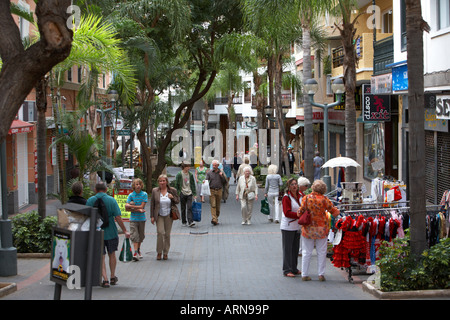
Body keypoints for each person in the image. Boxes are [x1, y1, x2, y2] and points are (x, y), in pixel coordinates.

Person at [86, 183, 130, 288]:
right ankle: (112, 276)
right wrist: (124, 230)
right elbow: (118, 217)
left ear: (95, 189)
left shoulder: (90, 200)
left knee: (101, 256)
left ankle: (105, 279)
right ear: (106, 189)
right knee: (112, 254)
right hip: (111, 231)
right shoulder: (112, 200)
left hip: (97, 232)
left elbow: (86, 216)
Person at [298, 180, 340, 281]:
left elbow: (300, 212)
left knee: (306, 252)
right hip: (322, 228)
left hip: (308, 228)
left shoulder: (306, 198)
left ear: (312, 187)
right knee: (321, 251)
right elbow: (334, 212)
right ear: (324, 189)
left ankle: (304, 274)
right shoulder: (325, 199)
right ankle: (321, 274)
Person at [150, 174, 180, 261]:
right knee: (160, 232)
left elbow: (177, 201)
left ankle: (165, 252)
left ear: (167, 182)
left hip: (169, 215)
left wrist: (172, 198)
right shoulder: (155, 191)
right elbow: (152, 204)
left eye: (164, 181)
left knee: (167, 234)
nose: (162, 182)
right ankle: (159, 252)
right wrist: (152, 216)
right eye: (160, 181)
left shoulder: (172, 190)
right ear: (158, 182)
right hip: (159, 215)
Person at [280, 178, 302, 277]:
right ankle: (287, 269)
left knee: (295, 248)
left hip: (297, 226)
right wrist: (299, 215)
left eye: (295, 184)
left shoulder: (301, 195)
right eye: (292, 184)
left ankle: (294, 268)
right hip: (288, 227)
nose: (294, 186)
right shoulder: (286, 197)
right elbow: (287, 212)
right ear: (289, 186)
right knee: (287, 249)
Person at [125, 178, 148, 261]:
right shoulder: (131, 195)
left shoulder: (144, 194)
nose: (138, 186)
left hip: (141, 219)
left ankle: (138, 250)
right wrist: (137, 209)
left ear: (141, 185)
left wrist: (132, 207)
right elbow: (126, 207)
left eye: (139, 184)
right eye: (136, 184)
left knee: (141, 236)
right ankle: (135, 253)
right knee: (135, 235)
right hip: (133, 219)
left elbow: (142, 206)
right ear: (134, 186)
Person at [205, 159, 227, 225]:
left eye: (215, 165)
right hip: (211, 190)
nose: (214, 166)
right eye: (213, 165)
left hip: (219, 190)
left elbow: (225, 182)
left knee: (218, 206)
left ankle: (216, 217)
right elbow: (206, 180)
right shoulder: (209, 173)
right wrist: (204, 181)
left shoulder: (221, 172)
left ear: (218, 165)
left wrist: (221, 176)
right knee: (213, 205)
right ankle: (214, 219)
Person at [297, 177, 311, 256]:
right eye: (305, 186)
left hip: (301, 215)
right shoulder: (300, 194)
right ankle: (301, 249)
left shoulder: (302, 194)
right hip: (301, 216)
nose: (306, 187)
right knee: (301, 233)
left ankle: (301, 249)